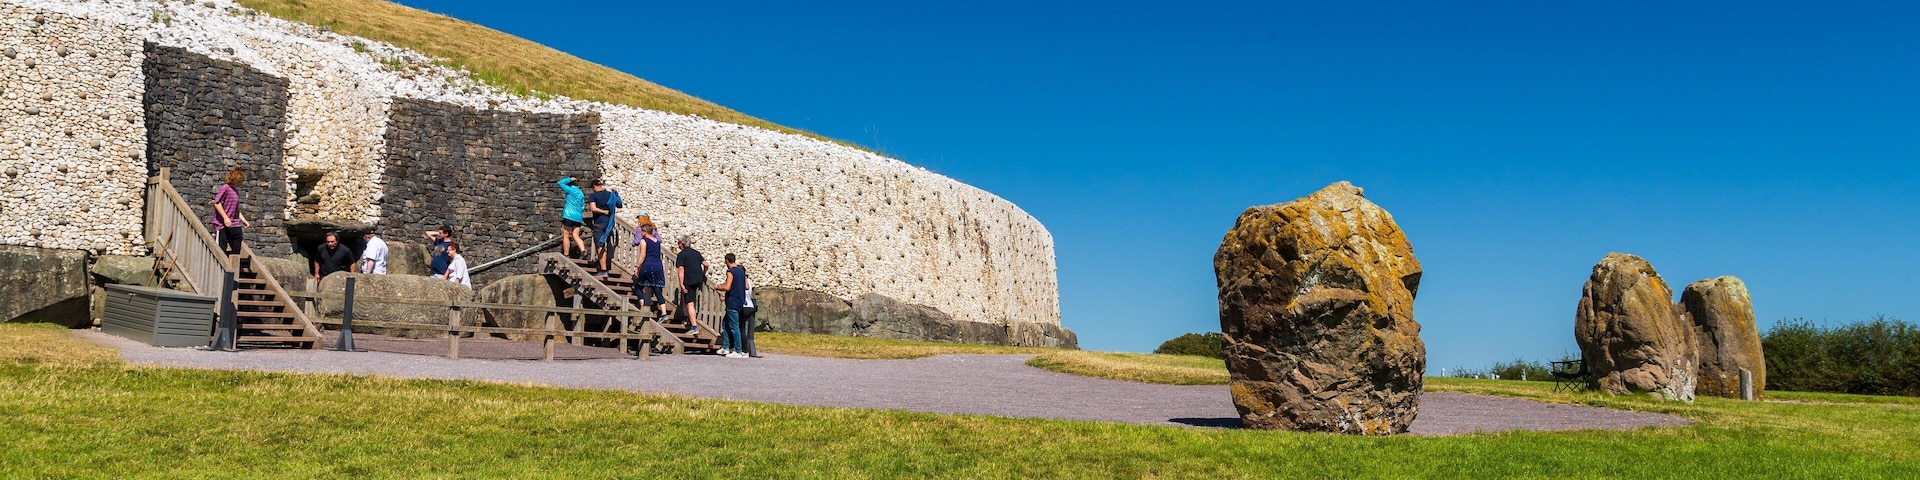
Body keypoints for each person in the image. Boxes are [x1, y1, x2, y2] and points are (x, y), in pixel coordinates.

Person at [713, 253, 749, 358]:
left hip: (732, 302)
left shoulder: (730, 272)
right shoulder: (741, 272)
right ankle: (726, 346)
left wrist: (718, 287)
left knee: (734, 326)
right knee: (726, 323)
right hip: (740, 301)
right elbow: (746, 286)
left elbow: (727, 287)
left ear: (727, 261)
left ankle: (738, 350)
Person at [631, 213, 666, 317]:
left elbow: (642, 256)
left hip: (648, 265)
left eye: (642, 231)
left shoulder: (643, 241)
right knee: (657, 289)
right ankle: (664, 313)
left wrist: (637, 267)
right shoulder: (657, 241)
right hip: (658, 265)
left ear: (645, 232)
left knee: (639, 286)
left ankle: (643, 306)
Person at [585, 180, 622, 278]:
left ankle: (603, 270)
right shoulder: (610, 194)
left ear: (594, 186)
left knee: (599, 245)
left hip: (599, 223)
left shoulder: (594, 196)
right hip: (609, 223)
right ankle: (602, 264)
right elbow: (619, 205)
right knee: (606, 243)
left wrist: (603, 212)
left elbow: (593, 208)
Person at [210, 168, 250, 255]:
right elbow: (217, 203)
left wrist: (243, 220)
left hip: (234, 223)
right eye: (241, 179)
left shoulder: (236, 191)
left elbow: (236, 209)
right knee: (221, 251)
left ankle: (233, 265)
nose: (242, 182)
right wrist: (225, 218)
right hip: (222, 225)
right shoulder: (225, 188)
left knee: (237, 245)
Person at [674, 235, 707, 335]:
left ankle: (694, 326)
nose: (677, 245)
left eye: (678, 243)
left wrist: (681, 284)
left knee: (690, 303)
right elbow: (706, 264)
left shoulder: (681, 255)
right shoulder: (696, 253)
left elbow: (681, 270)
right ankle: (685, 317)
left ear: (682, 244)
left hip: (688, 280)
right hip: (698, 279)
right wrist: (703, 273)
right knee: (686, 299)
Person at [556, 177, 587, 259]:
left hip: (569, 215)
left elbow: (560, 183)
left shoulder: (570, 190)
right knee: (575, 235)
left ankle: (566, 255)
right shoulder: (581, 193)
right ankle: (583, 250)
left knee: (565, 236)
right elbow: (583, 206)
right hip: (578, 217)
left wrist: (569, 179)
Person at [740, 284, 759, 358]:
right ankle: (744, 349)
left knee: (740, 329)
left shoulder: (742, 281)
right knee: (742, 328)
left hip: (744, 306)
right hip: (750, 305)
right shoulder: (749, 282)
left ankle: (743, 350)